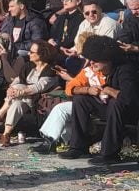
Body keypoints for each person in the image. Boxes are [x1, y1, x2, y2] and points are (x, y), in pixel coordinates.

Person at [59, 36, 138, 165]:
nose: (92, 63)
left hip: (128, 112)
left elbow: (129, 98)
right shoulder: (94, 70)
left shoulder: (125, 70)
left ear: (107, 60)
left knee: (115, 103)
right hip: (109, 109)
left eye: (96, 60)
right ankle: (79, 146)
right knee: (80, 99)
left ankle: (109, 153)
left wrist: (109, 90)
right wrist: (87, 90)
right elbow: (71, 88)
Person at [0, 40, 60, 146]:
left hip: (38, 100)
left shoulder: (51, 70)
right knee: (17, 104)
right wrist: (11, 88)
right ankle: (6, 134)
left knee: (19, 88)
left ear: (41, 55)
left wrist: (19, 91)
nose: (28, 54)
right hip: (23, 99)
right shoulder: (29, 66)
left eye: (31, 52)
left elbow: (39, 87)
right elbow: (18, 79)